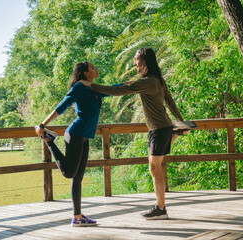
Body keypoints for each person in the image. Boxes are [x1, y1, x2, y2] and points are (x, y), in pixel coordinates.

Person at [79, 47, 195, 220]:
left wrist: (91, 86)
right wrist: (181, 120)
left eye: (136, 59)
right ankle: (175, 132)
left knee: (155, 169)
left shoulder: (147, 81)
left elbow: (118, 92)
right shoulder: (156, 79)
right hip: (159, 129)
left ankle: (161, 208)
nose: (134, 62)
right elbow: (169, 100)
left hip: (159, 129)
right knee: (154, 169)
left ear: (144, 61)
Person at [35, 61, 122, 227]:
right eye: (92, 68)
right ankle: (49, 141)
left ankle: (77, 217)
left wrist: (127, 85)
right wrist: (42, 125)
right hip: (74, 134)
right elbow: (62, 106)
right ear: (85, 72)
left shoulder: (93, 88)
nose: (96, 69)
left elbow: (112, 90)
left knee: (77, 177)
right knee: (69, 173)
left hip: (85, 136)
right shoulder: (79, 87)